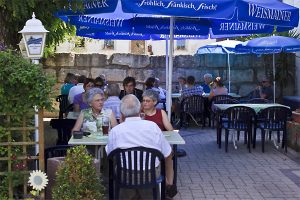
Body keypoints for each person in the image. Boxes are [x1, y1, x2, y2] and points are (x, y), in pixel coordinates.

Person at [106, 94, 177, 199]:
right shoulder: (153, 127)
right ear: (140, 109)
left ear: (122, 113)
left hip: (125, 176)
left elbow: (109, 154)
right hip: (149, 175)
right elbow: (167, 153)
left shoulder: (116, 130)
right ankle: (166, 188)